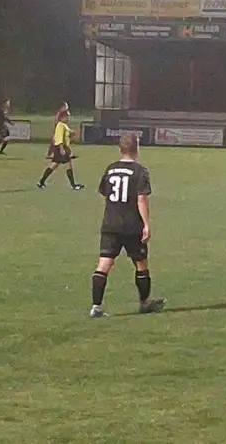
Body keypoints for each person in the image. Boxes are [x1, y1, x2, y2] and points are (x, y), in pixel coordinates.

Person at [88, 133, 165, 318]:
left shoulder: (110, 169)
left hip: (111, 224)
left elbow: (104, 193)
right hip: (131, 225)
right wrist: (146, 224)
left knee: (104, 264)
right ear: (137, 147)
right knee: (140, 263)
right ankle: (144, 303)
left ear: (120, 148)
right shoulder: (140, 171)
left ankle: (96, 307)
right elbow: (141, 199)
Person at [39, 109, 84, 190]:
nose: (68, 118)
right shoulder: (60, 125)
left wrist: (71, 133)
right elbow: (59, 138)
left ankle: (41, 182)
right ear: (63, 117)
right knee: (68, 165)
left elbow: (66, 134)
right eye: (67, 116)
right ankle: (73, 185)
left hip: (60, 148)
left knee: (54, 165)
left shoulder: (63, 125)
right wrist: (61, 149)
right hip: (61, 147)